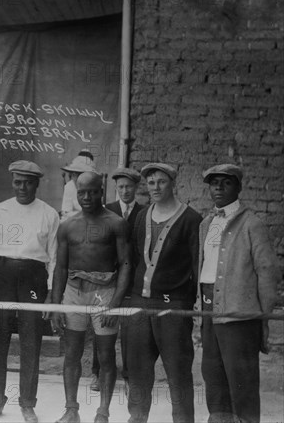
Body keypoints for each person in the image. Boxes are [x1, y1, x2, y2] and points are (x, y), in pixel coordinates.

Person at [0, 160, 60, 423]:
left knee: (30, 340)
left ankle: (27, 403)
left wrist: (50, 294)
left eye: (28, 182)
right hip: (0, 276)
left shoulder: (49, 214)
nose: (22, 187)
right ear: (12, 182)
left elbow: (54, 258)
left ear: (37, 183)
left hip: (32, 279)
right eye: (17, 181)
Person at [198, 164, 280, 423]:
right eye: (214, 183)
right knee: (213, 374)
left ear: (239, 187)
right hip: (208, 307)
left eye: (226, 183)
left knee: (241, 381)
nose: (219, 188)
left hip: (239, 313)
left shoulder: (251, 224)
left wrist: (263, 318)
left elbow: (267, 271)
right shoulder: (206, 224)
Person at [52, 172, 131, 423]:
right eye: (82, 192)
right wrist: (56, 306)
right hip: (74, 293)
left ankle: (103, 412)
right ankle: (71, 409)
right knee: (72, 353)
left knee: (106, 354)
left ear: (102, 191)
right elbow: (60, 268)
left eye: (92, 192)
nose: (87, 197)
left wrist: (115, 301)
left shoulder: (116, 223)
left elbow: (126, 264)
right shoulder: (67, 225)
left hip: (104, 293)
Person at [126, 163, 201, 423]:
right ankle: (137, 417)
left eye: (161, 182)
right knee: (137, 368)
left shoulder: (191, 219)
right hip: (139, 303)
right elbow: (137, 257)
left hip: (173, 305)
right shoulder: (141, 216)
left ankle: (183, 420)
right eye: (151, 182)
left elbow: (196, 265)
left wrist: (189, 305)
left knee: (178, 371)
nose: (155, 187)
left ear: (173, 184)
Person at [104, 167, 144, 392]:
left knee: (130, 331)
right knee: (104, 326)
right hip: (109, 277)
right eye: (121, 187)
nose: (125, 191)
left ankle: (129, 375)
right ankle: (99, 373)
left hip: (133, 278)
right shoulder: (106, 210)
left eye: (129, 186)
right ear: (116, 188)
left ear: (136, 188)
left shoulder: (144, 211)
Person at [60, 152, 96, 220]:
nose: (76, 179)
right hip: (74, 221)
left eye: (80, 175)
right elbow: (66, 212)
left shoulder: (94, 187)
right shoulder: (69, 186)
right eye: (74, 174)